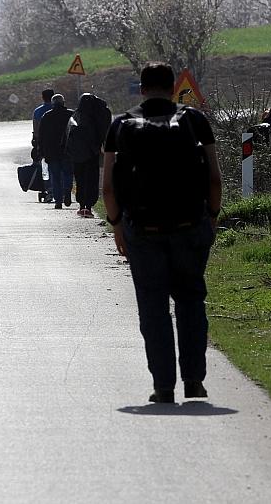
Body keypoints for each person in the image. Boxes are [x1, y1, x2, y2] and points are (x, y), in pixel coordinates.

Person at [102, 61, 223, 404]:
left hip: (142, 229)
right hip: (189, 227)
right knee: (190, 301)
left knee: (153, 308)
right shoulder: (195, 121)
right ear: (173, 88)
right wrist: (211, 218)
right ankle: (194, 381)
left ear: (141, 88)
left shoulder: (121, 125)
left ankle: (163, 386)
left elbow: (108, 187)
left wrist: (116, 225)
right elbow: (214, 178)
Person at [65, 93, 111, 218]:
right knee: (91, 180)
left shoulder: (76, 115)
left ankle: (82, 206)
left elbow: (68, 135)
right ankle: (88, 206)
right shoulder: (99, 115)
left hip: (78, 155)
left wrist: (68, 151)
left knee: (80, 180)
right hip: (93, 153)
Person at [38, 94, 74, 209]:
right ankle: (67, 190)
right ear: (63, 102)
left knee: (55, 176)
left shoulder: (47, 116)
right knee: (68, 173)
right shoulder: (71, 114)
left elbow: (41, 136)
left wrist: (41, 151)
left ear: (52, 104)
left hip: (51, 152)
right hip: (67, 150)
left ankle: (58, 201)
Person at [32, 88, 55, 202]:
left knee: (44, 166)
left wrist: (35, 141)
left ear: (43, 97)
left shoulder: (38, 111)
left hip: (43, 143)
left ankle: (48, 189)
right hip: (59, 142)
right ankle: (61, 188)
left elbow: (36, 129)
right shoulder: (58, 109)